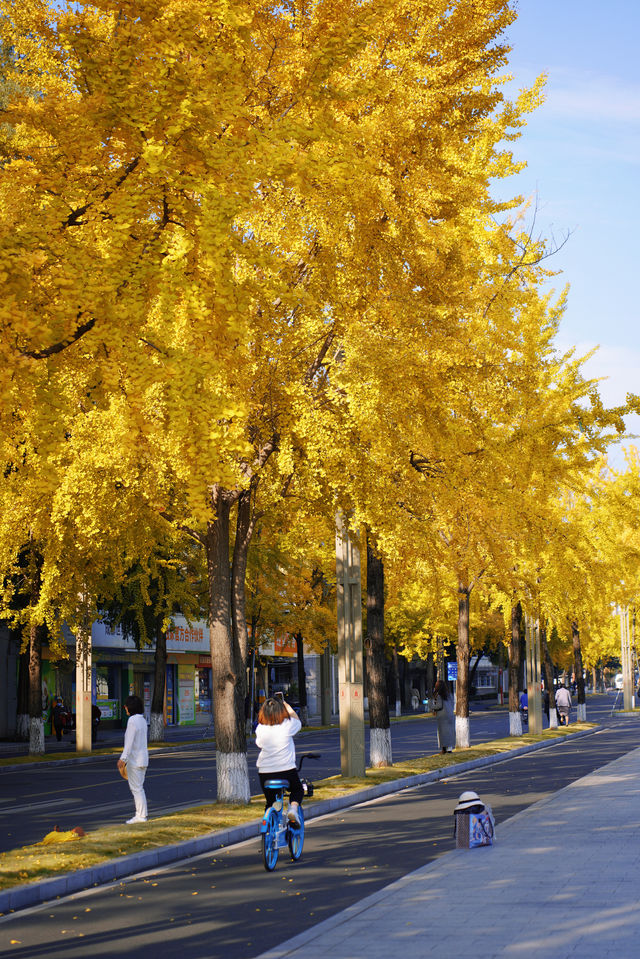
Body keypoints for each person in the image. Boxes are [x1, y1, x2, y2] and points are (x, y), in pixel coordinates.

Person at [255, 695, 303, 826]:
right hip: (286, 770)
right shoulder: (287, 725)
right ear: (281, 711)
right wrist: (289, 708)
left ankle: (268, 833)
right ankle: (292, 810)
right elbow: (298, 723)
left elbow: (259, 744)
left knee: (270, 803)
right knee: (297, 790)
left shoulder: (260, 728)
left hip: (264, 772)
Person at [117, 695, 148, 824]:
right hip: (143, 759)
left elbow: (129, 742)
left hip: (134, 760)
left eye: (126, 706)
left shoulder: (132, 721)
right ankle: (142, 814)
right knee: (139, 788)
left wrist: (122, 758)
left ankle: (140, 816)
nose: (125, 709)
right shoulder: (142, 720)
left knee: (136, 789)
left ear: (130, 707)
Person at [431, 679, 455, 754]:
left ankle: (444, 749)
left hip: (442, 716)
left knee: (442, 733)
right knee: (449, 732)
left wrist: (431, 706)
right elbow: (452, 704)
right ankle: (449, 749)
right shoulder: (449, 694)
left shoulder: (438, 696)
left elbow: (438, 706)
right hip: (450, 715)